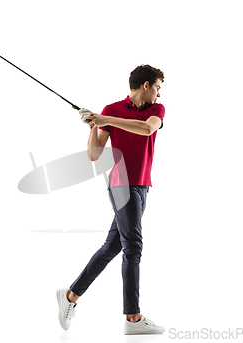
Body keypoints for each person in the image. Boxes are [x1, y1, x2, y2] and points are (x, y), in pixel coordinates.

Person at [56, 64, 166, 335]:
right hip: (121, 185)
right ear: (145, 85)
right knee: (133, 246)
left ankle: (70, 296)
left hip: (141, 186)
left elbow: (146, 130)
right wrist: (93, 125)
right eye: (157, 87)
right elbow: (94, 154)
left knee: (112, 246)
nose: (159, 94)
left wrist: (106, 120)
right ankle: (133, 317)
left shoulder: (155, 111)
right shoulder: (111, 110)